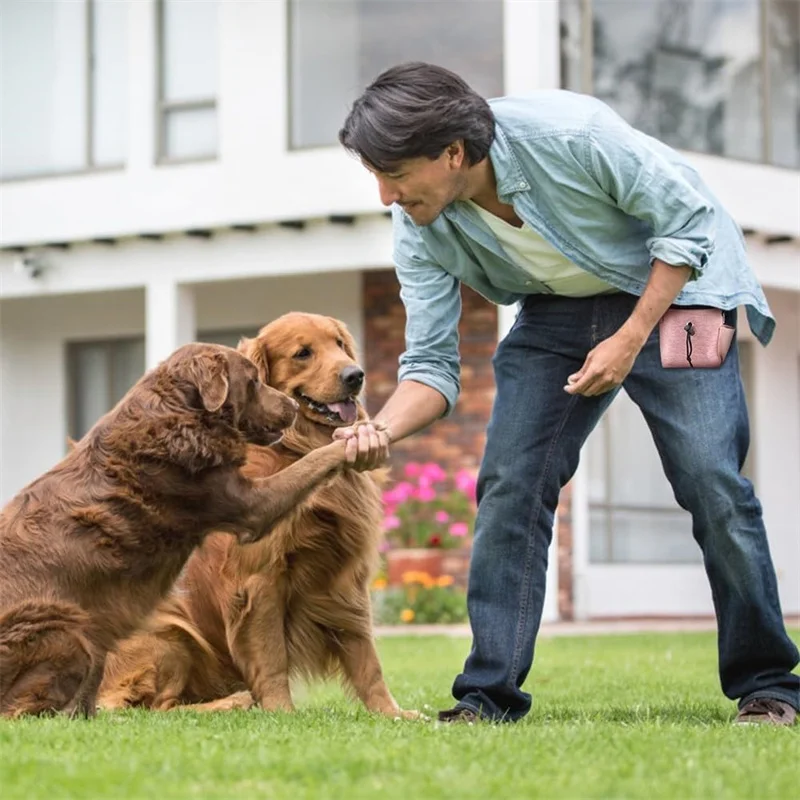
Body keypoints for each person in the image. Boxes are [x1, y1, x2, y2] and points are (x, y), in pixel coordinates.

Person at [334, 62, 799, 726]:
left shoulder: (572, 133)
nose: (384, 195)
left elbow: (690, 223)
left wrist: (632, 336)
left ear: (455, 154)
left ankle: (770, 684)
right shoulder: (420, 227)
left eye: (396, 174)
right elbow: (431, 368)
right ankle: (487, 698)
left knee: (709, 474)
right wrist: (376, 429)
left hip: (688, 294)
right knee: (511, 482)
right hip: (560, 313)